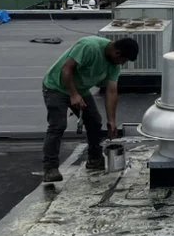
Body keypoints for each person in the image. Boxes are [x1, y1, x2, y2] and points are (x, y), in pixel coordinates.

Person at [41, 36, 139, 183]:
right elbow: (66, 68)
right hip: (56, 87)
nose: (122, 64)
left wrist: (112, 121)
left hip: (80, 89)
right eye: (123, 60)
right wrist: (74, 95)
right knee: (58, 125)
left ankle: (94, 158)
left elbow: (111, 91)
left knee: (94, 121)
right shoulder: (89, 47)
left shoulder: (114, 66)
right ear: (117, 53)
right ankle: (50, 168)